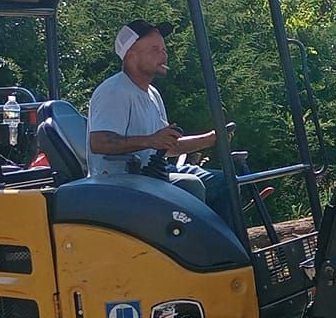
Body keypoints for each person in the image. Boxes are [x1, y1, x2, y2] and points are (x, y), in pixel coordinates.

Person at [86, 20, 230, 215]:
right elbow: (99, 142)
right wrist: (151, 140)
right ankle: (197, 244)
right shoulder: (114, 91)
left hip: (151, 174)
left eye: (163, 48)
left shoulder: (152, 93)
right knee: (191, 186)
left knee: (224, 182)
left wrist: (211, 138)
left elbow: (166, 147)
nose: (164, 53)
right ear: (131, 55)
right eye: (154, 48)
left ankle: (229, 240)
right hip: (121, 183)